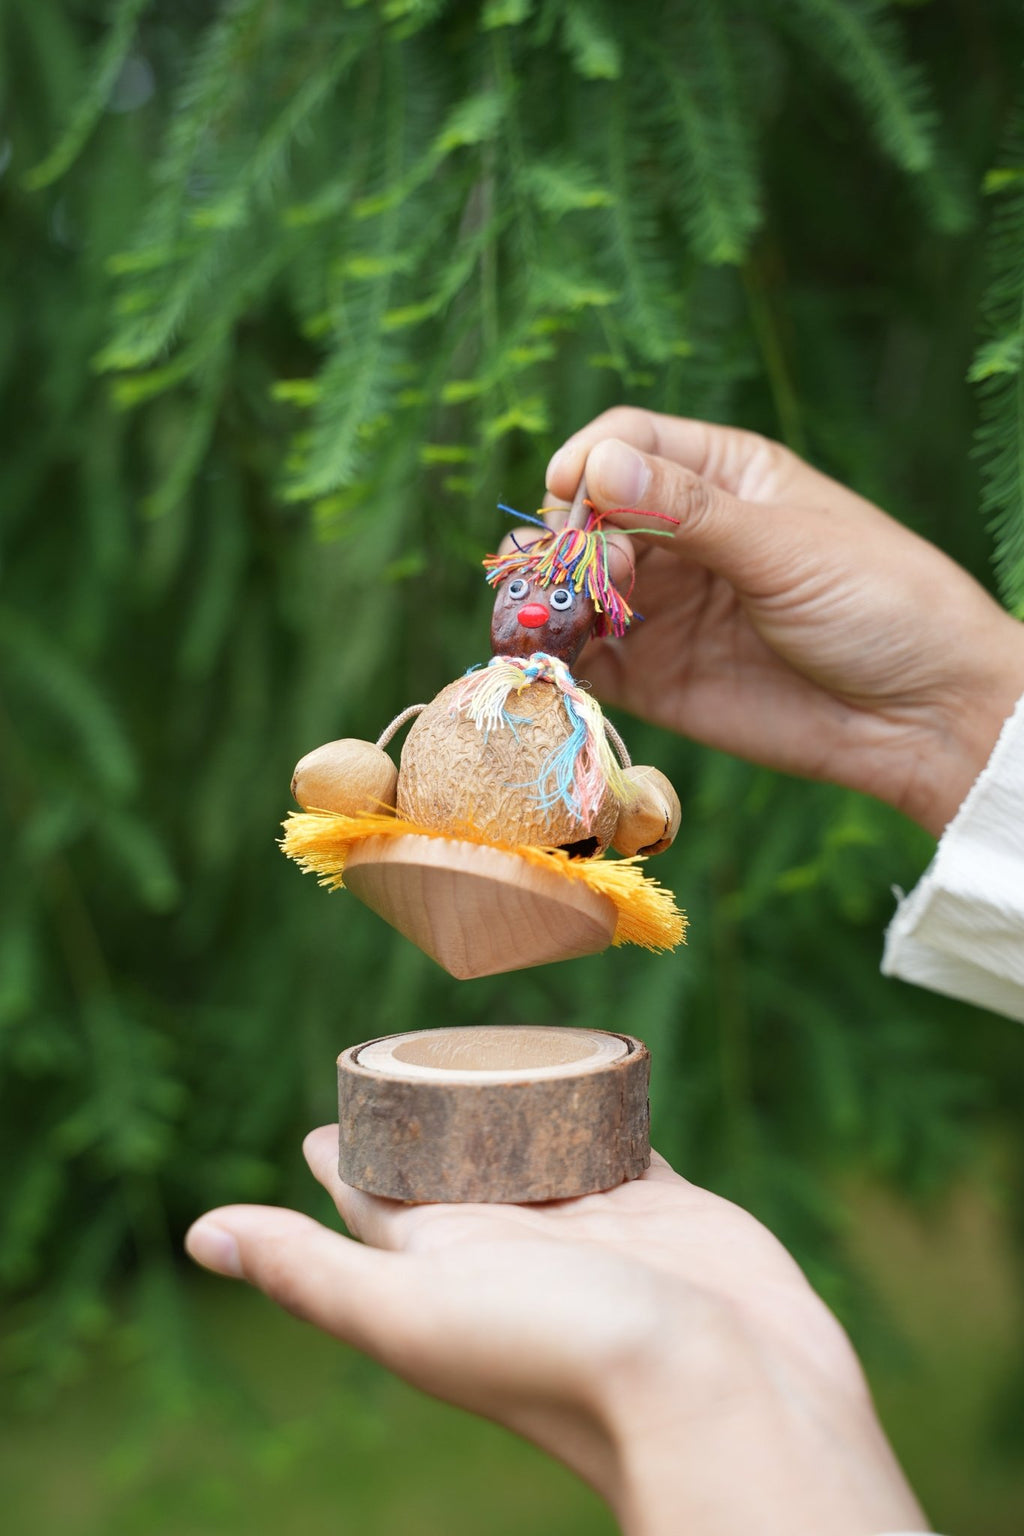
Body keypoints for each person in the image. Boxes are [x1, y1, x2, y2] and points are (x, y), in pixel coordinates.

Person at [186, 409, 1024, 1536]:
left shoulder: (581, 721)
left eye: (554, 598)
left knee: (623, 799)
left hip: (583, 796)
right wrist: (954, 716)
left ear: (593, 614)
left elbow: (618, 790)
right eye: (523, 593)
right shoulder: (469, 702)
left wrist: (952, 712)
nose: (533, 610)